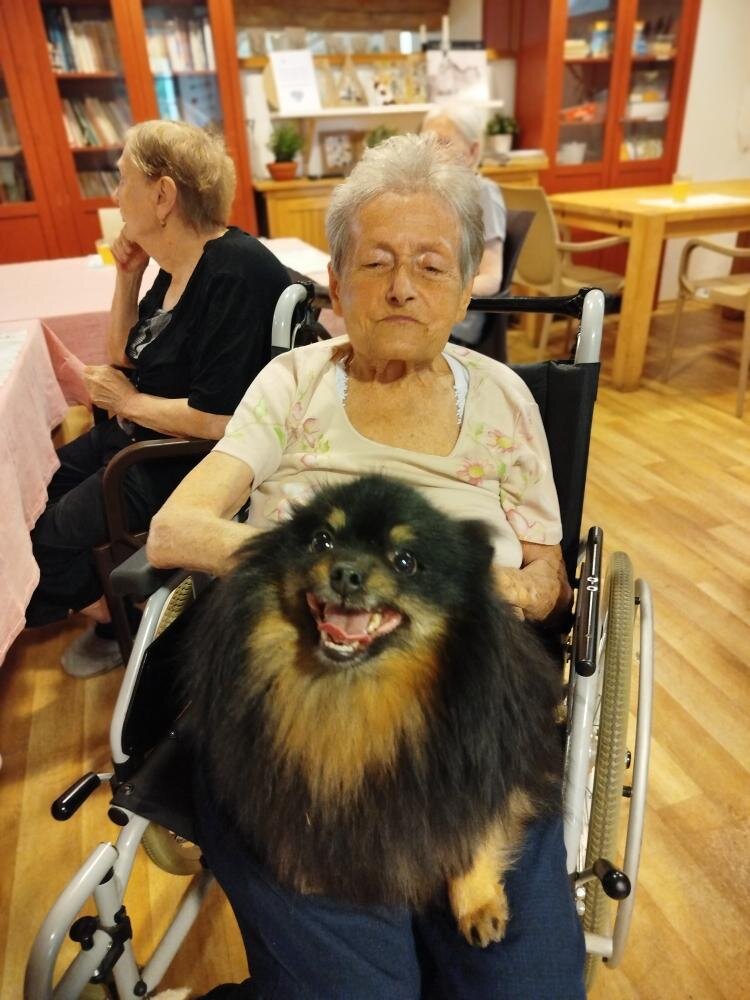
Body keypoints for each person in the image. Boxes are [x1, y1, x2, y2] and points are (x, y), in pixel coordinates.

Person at [147, 132, 583, 999]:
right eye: (376, 262)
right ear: (337, 286)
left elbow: (549, 575)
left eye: (431, 265)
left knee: (525, 987)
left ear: (466, 286)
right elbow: (174, 530)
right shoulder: (292, 384)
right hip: (292, 719)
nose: (402, 287)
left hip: (464, 713)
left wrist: (514, 591)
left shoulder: (506, 399)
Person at [25, 119, 290, 677]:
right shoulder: (177, 266)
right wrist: (127, 275)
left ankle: (120, 620)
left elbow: (221, 421)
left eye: (123, 180)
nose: (115, 195)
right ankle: (117, 608)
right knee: (26, 497)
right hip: (138, 435)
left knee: (42, 539)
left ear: (163, 196)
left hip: (179, 459)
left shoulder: (233, 272)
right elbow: (126, 354)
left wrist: (126, 403)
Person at [421, 102, 507, 348]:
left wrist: (436, 290)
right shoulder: (429, 194)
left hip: (458, 316)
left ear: (472, 151)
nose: (432, 153)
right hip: (424, 303)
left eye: (443, 143)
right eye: (426, 143)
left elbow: (492, 278)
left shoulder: (483, 194)